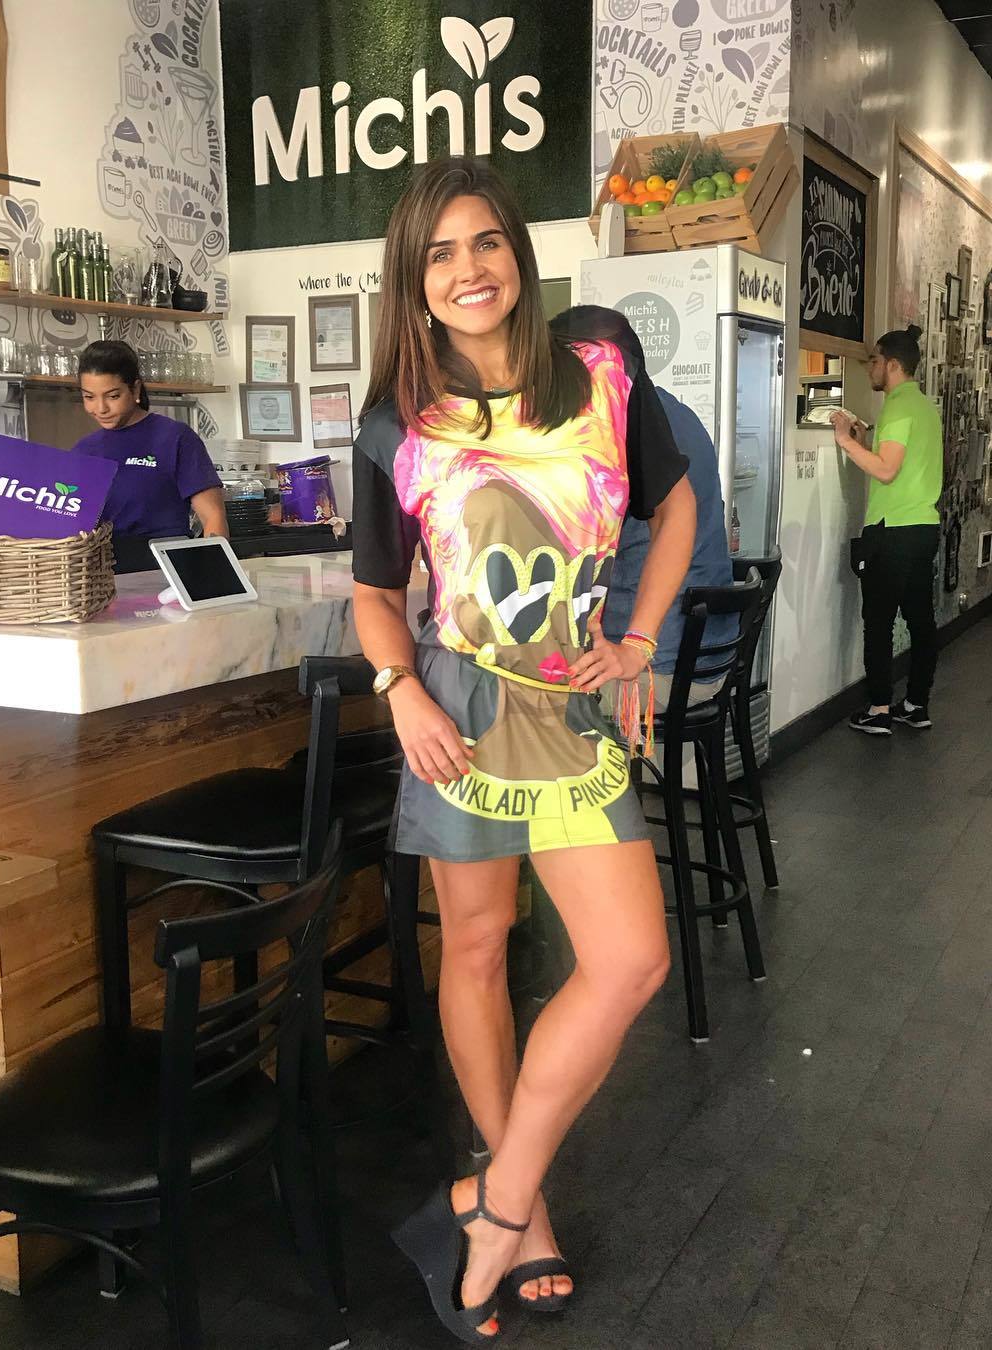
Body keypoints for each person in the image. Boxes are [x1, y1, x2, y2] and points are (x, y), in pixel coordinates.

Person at [350, 156, 695, 1343]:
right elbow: (375, 591)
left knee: (631, 959)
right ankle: (526, 1207)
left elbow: (676, 504)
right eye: (440, 253)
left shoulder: (599, 372)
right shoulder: (397, 419)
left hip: (571, 707)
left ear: (518, 252)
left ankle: (489, 1202)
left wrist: (639, 638)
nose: (468, 269)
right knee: (479, 944)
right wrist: (400, 691)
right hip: (454, 706)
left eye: (485, 241)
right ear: (414, 279)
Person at [556, 306, 737, 710]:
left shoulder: (611, 424)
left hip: (654, 666)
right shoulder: (679, 413)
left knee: (519, 703)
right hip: (708, 651)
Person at [831, 325, 943, 735]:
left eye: (874, 360)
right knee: (920, 621)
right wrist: (866, 443)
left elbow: (887, 470)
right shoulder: (924, 407)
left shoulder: (897, 407)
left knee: (878, 622)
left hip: (892, 531)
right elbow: (900, 465)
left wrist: (845, 441)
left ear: (893, 365)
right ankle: (915, 704)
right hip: (923, 528)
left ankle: (879, 708)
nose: (870, 368)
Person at [73, 340, 226, 570]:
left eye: (113, 396)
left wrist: (213, 575)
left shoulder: (175, 438)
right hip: (103, 574)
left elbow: (213, 516)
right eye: (89, 397)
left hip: (168, 570)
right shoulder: (83, 450)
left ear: (135, 389)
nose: (101, 408)